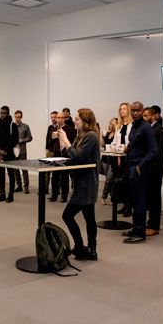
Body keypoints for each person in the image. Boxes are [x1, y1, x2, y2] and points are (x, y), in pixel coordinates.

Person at [57, 108, 101, 261]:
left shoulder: (91, 136)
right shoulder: (80, 136)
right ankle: (89, 249)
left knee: (68, 215)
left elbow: (78, 157)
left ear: (85, 121)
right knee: (89, 217)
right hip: (82, 183)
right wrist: (62, 143)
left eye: (77, 119)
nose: (74, 121)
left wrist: (67, 141)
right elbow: (70, 155)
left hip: (87, 184)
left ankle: (82, 246)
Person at [122, 102, 157, 244]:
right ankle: (136, 228)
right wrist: (127, 149)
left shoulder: (146, 127)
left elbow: (154, 151)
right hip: (131, 166)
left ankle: (140, 233)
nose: (135, 113)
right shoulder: (134, 126)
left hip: (140, 169)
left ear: (142, 111)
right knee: (133, 200)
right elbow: (134, 144)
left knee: (140, 201)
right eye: (133, 110)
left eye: (138, 110)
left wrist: (140, 166)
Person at [143, 107, 163, 237]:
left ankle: (154, 226)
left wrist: (148, 163)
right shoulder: (146, 130)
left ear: (154, 116)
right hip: (147, 168)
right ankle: (150, 222)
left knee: (154, 197)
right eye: (144, 116)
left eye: (147, 115)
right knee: (149, 197)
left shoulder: (160, 130)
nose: (144, 118)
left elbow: (160, 152)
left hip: (156, 168)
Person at [0, 106, 19, 203]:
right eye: (1, 113)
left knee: (11, 174)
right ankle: (2, 193)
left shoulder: (13, 125)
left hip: (9, 154)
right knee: (1, 174)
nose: (2, 115)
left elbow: (15, 140)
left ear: (8, 114)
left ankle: (11, 194)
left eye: (4, 113)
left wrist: (5, 150)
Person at [49, 111, 76, 202]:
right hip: (56, 153)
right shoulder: (53, 129)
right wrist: (52, 137)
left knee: (64, 176)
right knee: (54, 175)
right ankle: (54, 195)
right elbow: (50, 142)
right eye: (58, 117)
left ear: (64, 118)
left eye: (61, 117)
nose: (59, 119)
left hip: (66, 154)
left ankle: (64, 196)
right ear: (56, 118)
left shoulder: (70, 129)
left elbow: (73, 143)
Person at [13, 110, 33, 194]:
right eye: (16, 117)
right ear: (14, 117)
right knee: (15, 169)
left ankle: (26, 187)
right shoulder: (11, 126)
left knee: (24, 169)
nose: (17, 118)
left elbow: (30, 138)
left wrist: (22, 140)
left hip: (22, 150)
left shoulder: (25, 126)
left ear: (21, 117)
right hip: (13, 150)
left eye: (19, 117)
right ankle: (19, 186)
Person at [100, 118, 118, 205]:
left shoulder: (118, 134)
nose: (112, 125)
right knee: (109, 179)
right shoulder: (107, 133)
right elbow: (103, 145)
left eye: (114, 123)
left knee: (108, 179)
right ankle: (112, 195)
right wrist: (101, 136)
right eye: (111, 123)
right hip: (105, 158)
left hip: (113, 159)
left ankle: (104, 197)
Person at [44, 111, 58, 194]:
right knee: (47, 171)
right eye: (52, 117)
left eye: (54, 117)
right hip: (49, 151)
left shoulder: (59, 127)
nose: (53, 118)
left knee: (56, 172)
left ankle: (56, 190)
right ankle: (45, 189)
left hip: (56, 152)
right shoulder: (50, 127)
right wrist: (46, 148)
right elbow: (47, 138)